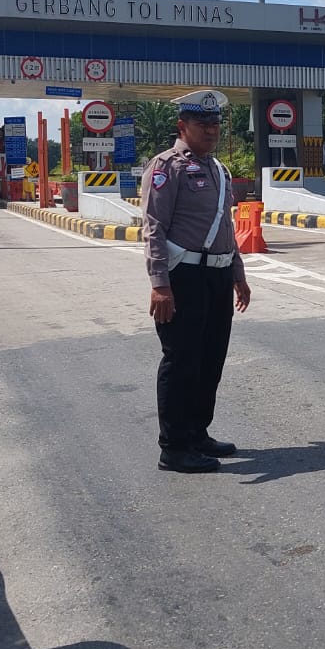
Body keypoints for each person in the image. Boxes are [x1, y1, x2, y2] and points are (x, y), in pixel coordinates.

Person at [141, 89, 253, 473]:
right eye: (202, 124)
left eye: (215, 123)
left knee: (211, 359)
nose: (210, 130)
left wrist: (238, 275)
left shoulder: (218, 170)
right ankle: (173, 446)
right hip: (183, 276)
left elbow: (227, 227)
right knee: (182, 359)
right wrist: (159, 284)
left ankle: (197, 433)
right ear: (182, 126)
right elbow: (153, 228)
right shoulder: (165, 167)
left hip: (218, 274)